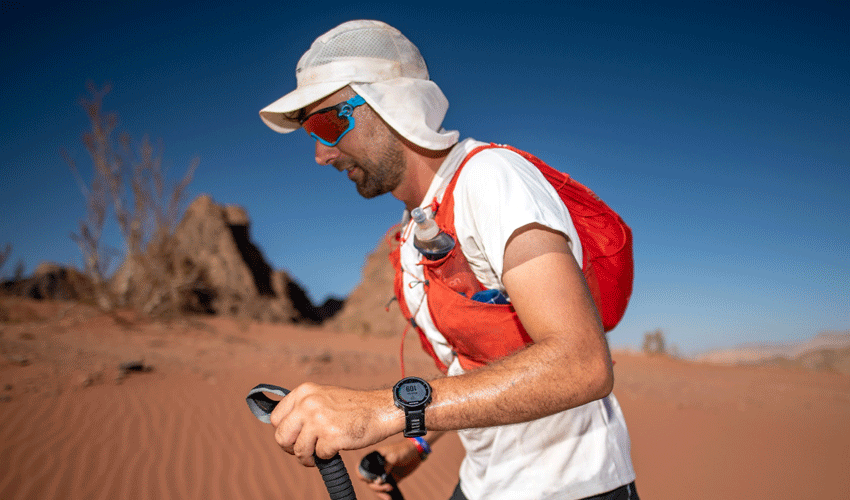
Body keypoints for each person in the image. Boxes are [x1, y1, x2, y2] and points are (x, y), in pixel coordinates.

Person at [258, 20, 638, 500]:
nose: (320, 153)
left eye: (328, 123)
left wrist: (386, 411)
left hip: (574, 487)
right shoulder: (415, 226)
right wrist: (415, 442)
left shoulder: (490, 179)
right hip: (486, 484)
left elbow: (582, 363)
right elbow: (473, 364)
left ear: (391, 104)